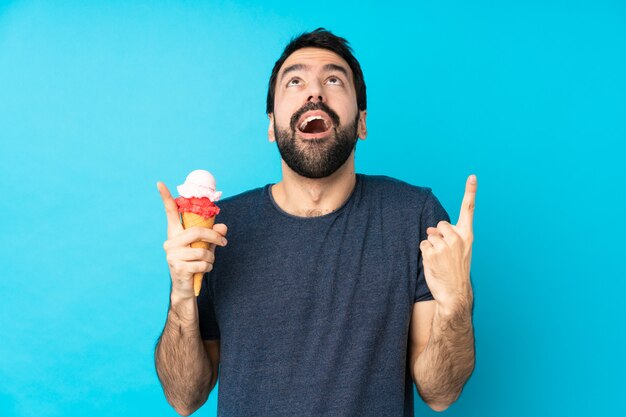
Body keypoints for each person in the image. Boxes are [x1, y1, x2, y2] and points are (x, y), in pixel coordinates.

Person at [155, 28, 476, 417]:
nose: (315, 92)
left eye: (334, 79)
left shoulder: (415, 217)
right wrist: (181, 297)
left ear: (361, 122)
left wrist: (457, 304)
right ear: (272, 125)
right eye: (295, 80)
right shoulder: (220, 231)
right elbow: (184, 398)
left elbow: (439, 393)